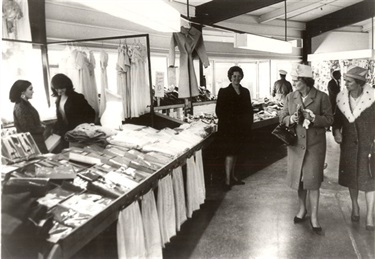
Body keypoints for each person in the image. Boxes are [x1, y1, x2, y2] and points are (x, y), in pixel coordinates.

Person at [279, 64, 333, 234]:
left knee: (313, 182)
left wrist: (314, 117)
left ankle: (315, 218)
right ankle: (302, 209)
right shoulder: (290, 97)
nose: (294, 83)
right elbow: (282, 116)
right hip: (296, 146)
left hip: (315, 146)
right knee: (300, 181)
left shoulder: (322, 97)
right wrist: (290, 119)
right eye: (294, 80)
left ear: (307, 81)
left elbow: (330, 119)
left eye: (297, 81)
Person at [332, 66, 375, 231]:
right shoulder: (341, 98)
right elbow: (336, 121)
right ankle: (355, 206)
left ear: (359, 83)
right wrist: (336, 132)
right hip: (349, 145)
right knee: (352, 178)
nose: (345, 84)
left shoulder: (373, 98)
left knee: (370, 181)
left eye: (349, 81)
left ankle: (370, 215)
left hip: (369, 146)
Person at [215, 66, 254, 191]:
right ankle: (227, 180)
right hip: (229, 129)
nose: (236, 78)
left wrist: (248, 124)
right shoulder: (224, 91)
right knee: (230, 153)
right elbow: (219, 111)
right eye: (234, 76)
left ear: (242, 77)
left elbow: (249, 110)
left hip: (241, 128)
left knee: (236, 153)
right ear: (230, 77)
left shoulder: (245, 91)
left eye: (238, 76)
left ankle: (232, 177)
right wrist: (231, 123)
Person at [51, 73, 95, 148]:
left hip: (77, 133)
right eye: (56, 88)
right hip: (66, 133)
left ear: (67, 86)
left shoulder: (77, 97)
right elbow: (61, 117)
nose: (59, 91)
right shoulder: (58, 99)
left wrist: (83, 129)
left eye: (61, 88)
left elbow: (91, 113)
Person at [9, 80, 48, 154]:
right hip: (33, 143)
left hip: (35, 141)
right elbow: (28, 129)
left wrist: (39, 124)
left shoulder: (24, 104)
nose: (33, 91)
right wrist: (43, 127)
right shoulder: (21, 106)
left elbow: (30, 121)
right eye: (30, 89)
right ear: (22, 92)